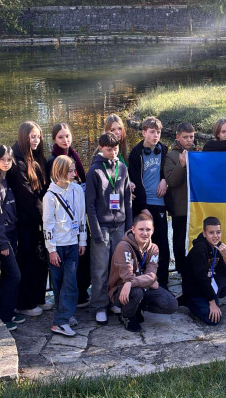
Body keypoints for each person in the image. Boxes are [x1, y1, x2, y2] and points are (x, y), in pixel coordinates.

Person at [86, 131, 133, 324]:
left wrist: (129, 226)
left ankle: (115, 300)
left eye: (115, 149)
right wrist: (96, 231)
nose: (113, 152)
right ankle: (99, 305)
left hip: (120, 226)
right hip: (102, 227)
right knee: (100, 269)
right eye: (108, 149)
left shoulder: (122, 168)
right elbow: (90, 205)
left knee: (118, 267)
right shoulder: (94, 171)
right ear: (100, 148)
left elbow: (127, 199)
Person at [108, 212, 178, 332]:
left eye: (148, 229)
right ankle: (127, 316)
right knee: (136, 292)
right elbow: (127, 277)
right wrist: (144, 281)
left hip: (136, 286)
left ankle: (136, 308)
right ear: (133, 229)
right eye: (141, 229)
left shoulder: (154, 248)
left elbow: (151, 275)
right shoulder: (123, 246)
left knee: (171, 304)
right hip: (121, 290)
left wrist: (133, 282)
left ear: (153, 230)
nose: (145, 233)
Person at [46, 123, 91, 308]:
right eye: (61, 137)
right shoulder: (55, 161)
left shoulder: (73, 155)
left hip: (76, 220)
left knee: (80, 263)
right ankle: (64, 307)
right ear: (54, 139)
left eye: (67, 136)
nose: (65, 140)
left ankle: (77, 297)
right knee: (63, 273)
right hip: (61, 228)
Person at [10, 121, 51, 317]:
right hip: (25, 221)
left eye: (38, 137)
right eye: (32, 137)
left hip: (38, 219)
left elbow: (44, 189)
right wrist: (46, 215)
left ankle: (38, 297)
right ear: (23, 137)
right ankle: (24, 303)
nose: (36, 140)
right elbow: (26, 196)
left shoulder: (37, 158)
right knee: (27, 260)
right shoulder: (17, 162)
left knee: (40, 259)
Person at [43, 155, 87, 336]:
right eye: (69, 171)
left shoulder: (77, 190)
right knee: (58, 281)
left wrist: (82, 240)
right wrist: (51, 249)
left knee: (70, 281)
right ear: (59, 171)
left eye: (74, 170)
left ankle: (63, 318)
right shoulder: (50, 196)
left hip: (72, 242)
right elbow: (48, 224)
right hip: (58, 245)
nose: (74, 174)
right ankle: (63, 316)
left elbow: (81, 216)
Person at [127, 117, 171, 289]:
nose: (155, 135)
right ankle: (144, 281)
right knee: (144, 244)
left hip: (160, 203)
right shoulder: (136, 153)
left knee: (163, 244)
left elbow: (167, 170)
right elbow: (135, 180)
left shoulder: (164, 149)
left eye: (158, 132)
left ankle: (163, 282)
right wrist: (143, 207)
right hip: (144, 205)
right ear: (144, 132)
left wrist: (164, 180)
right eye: (152, 132)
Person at [0, 145, 24, 331]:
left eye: (9, 160)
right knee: (14, 274)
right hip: (3, 236)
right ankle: (3, 315)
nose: (6, 163)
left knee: (8, 274)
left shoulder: (6, 180)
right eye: (2, 160)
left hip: (13, 231)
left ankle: (5, 310)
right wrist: (2, 243)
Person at [180, 216, 226, 325]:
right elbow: (201, 278)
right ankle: (189, 302)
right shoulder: (199, 249)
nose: (215, 236)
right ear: (204, 233)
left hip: (210, 281)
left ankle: (211, 297)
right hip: (196, 287)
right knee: (214, 320)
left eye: (218, 232)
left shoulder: (218, 245)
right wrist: (212, 302)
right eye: (211, 233)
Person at [164, 122, 195, 274]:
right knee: (179, 241)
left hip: (196, 207)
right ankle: (181, 271)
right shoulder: (171, 156)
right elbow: (172, 181)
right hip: (180, 208)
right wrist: (181, 166)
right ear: (178, 137)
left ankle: (195, 270)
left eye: (191, 137)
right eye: (185, 137)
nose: (189, 140)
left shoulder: (198, 153)